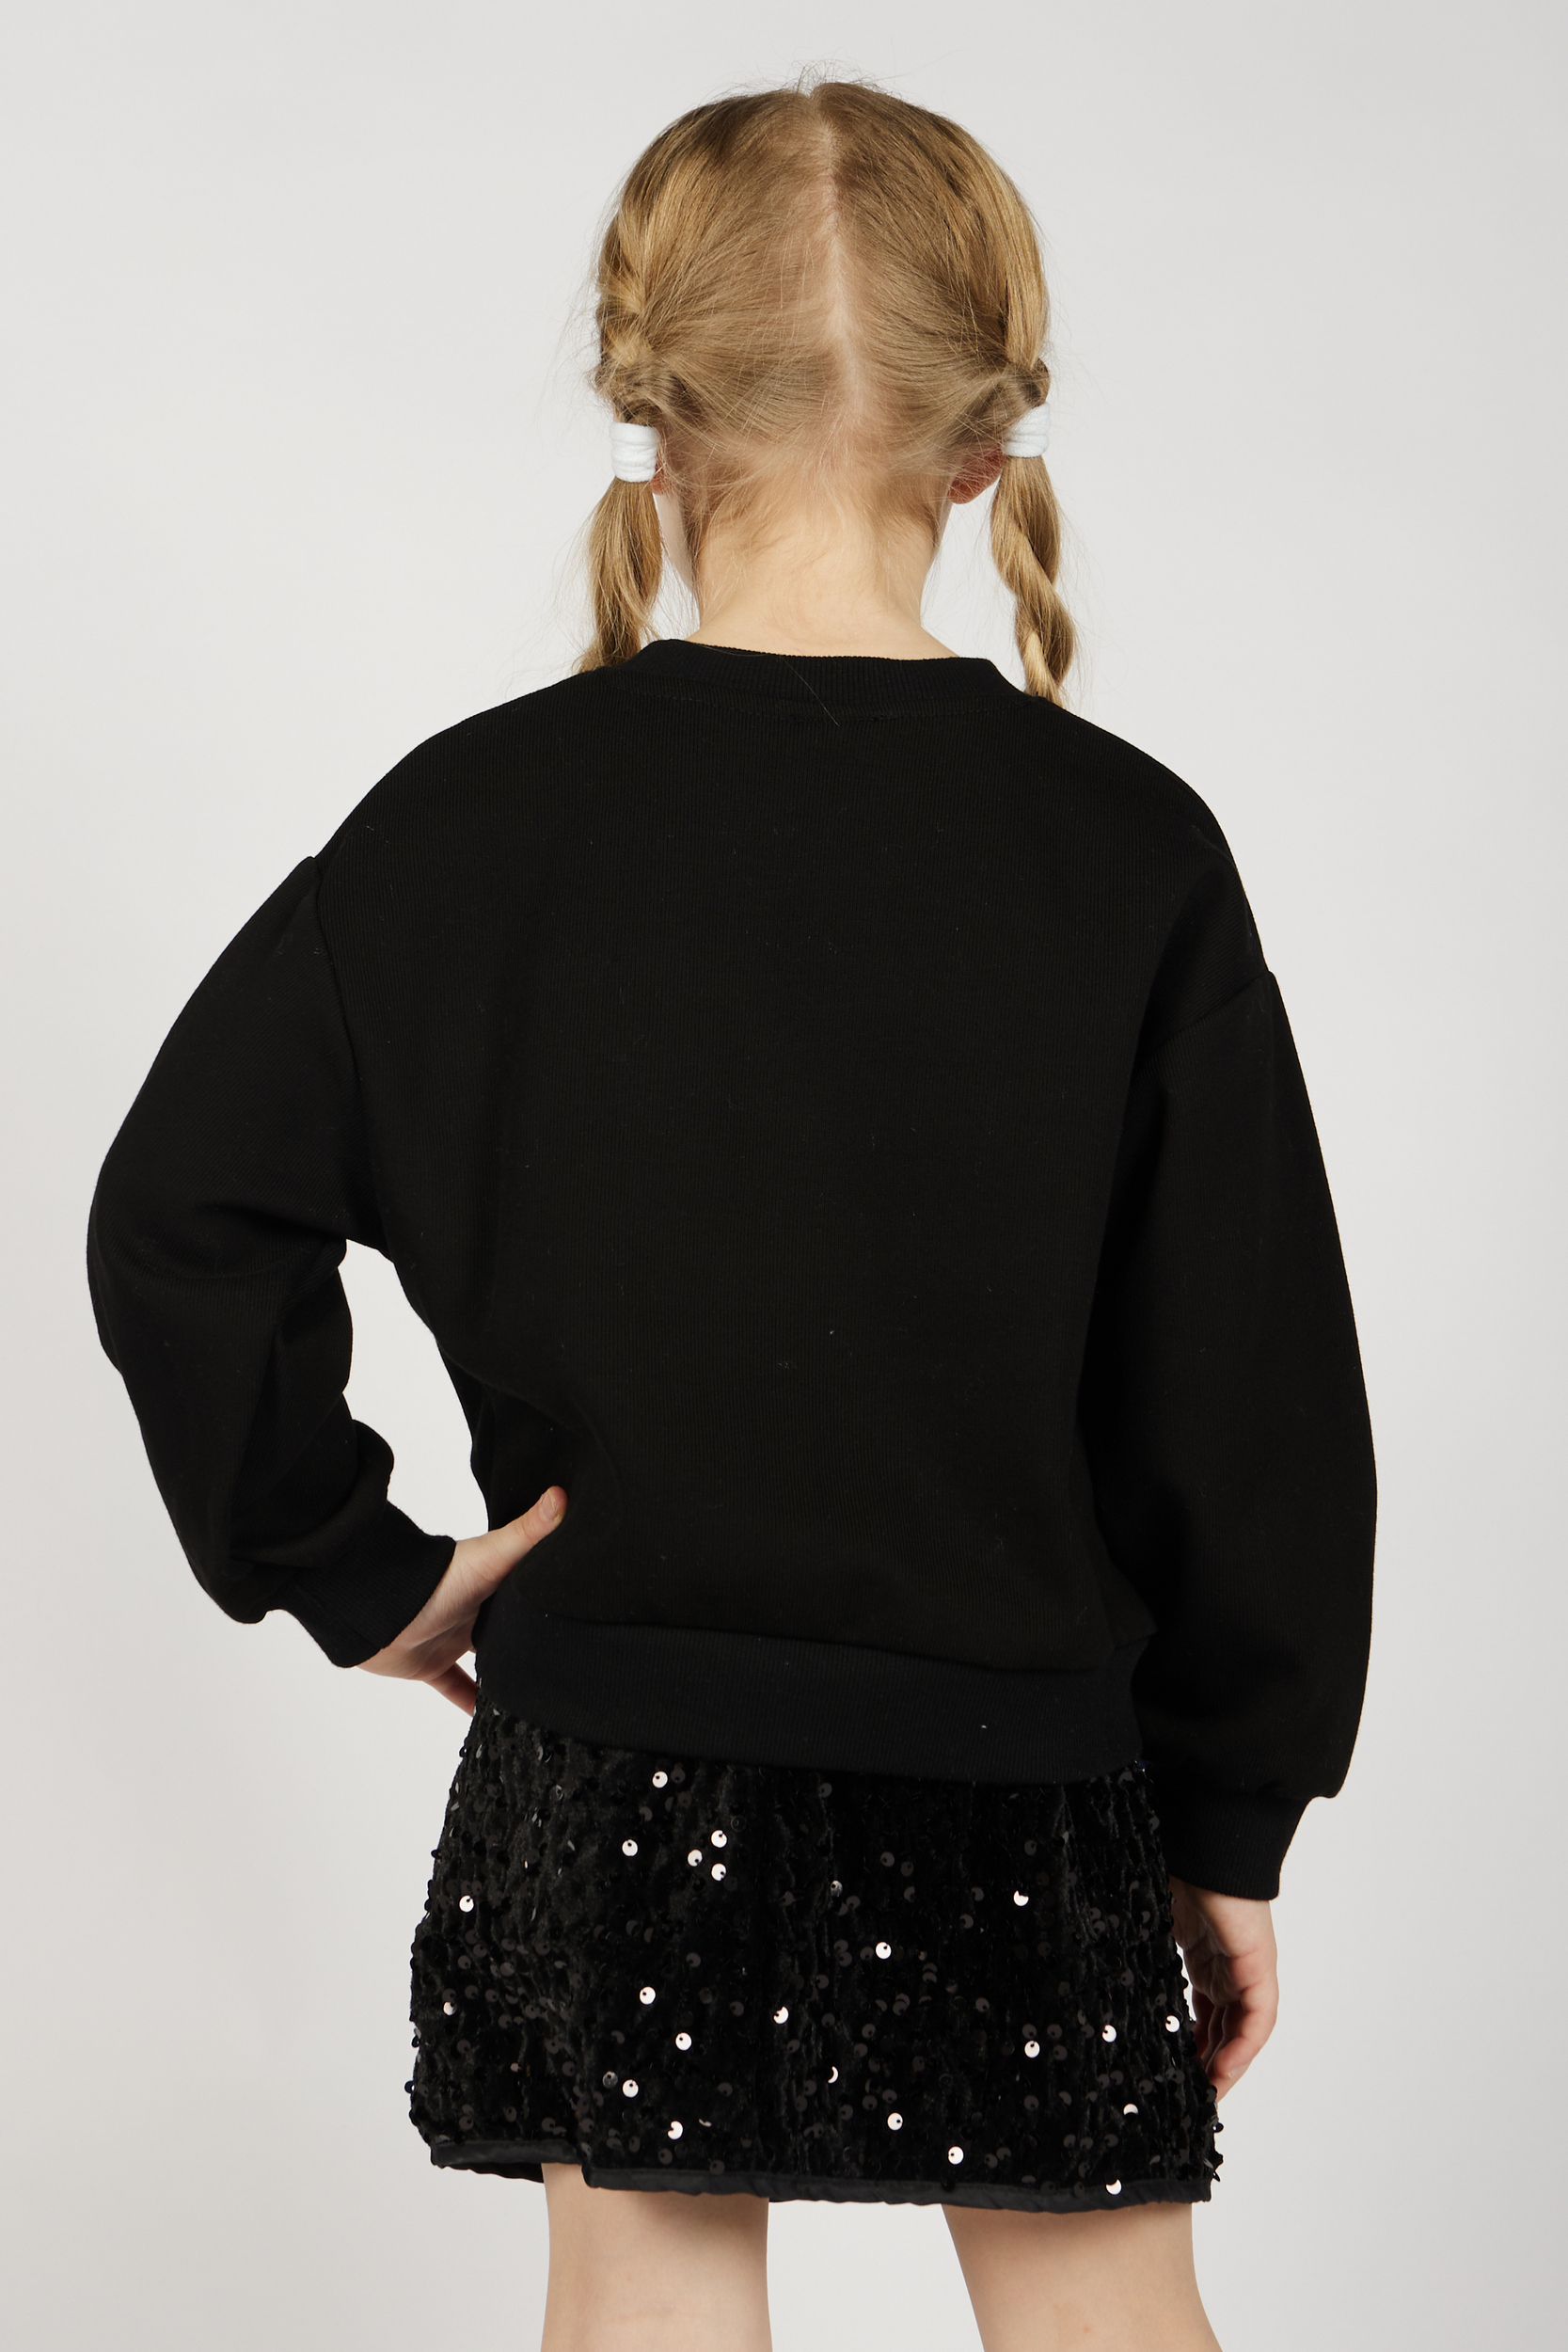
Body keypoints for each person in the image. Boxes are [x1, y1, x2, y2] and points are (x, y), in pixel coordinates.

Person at [87, 78, 1375, 2352]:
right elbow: (1249, 1393)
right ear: (981, 446)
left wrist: (358, 1568)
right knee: (1106, 2319)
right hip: (1023, 1779)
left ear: (653, 421)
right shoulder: (1127, 852)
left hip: (616, 1770)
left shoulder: (465, 829)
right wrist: (1230, 1815)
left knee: (647, 2312)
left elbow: (180, 1213)